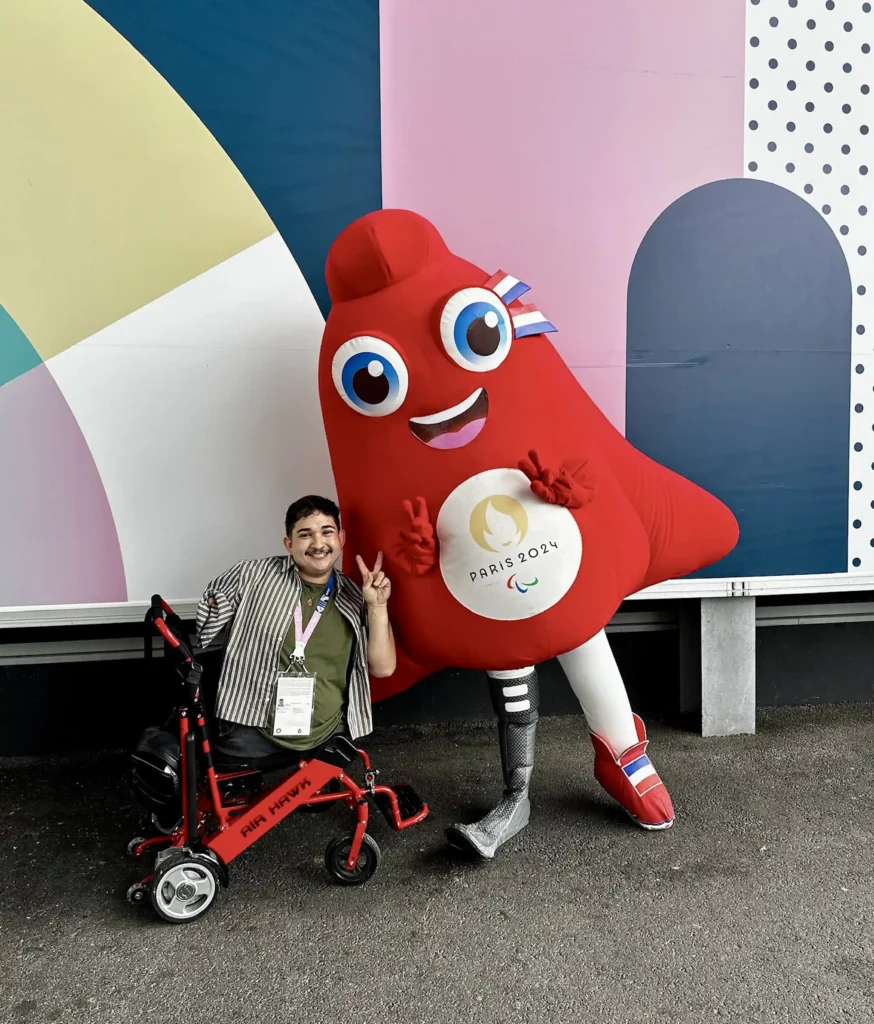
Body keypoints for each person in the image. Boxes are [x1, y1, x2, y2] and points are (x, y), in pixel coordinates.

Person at [195, 494, 395, 764]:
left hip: (327, 734)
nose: (318, 543)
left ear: (341, 539)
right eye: (305, 535)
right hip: (251, 733)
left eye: (327, 532)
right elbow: (206, 623)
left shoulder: (356, 596)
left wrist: (378, 606)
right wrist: (214, 604)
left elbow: (383, 668)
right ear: (289, 544)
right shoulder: (253, 576)